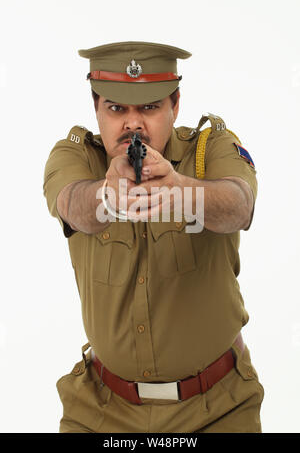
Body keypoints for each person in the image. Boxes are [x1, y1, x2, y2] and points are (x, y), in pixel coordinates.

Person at [43, 41, 264, 433]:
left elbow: (239, 204)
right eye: (116, 108)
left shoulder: (209, 148)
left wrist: (180, 189)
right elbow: (72, 204)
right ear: (96, 107)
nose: (133, 124)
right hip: (101, 410)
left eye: (149, 107)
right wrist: (105, 197)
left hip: (217, 409)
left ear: (174, 105)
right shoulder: (77, 156)